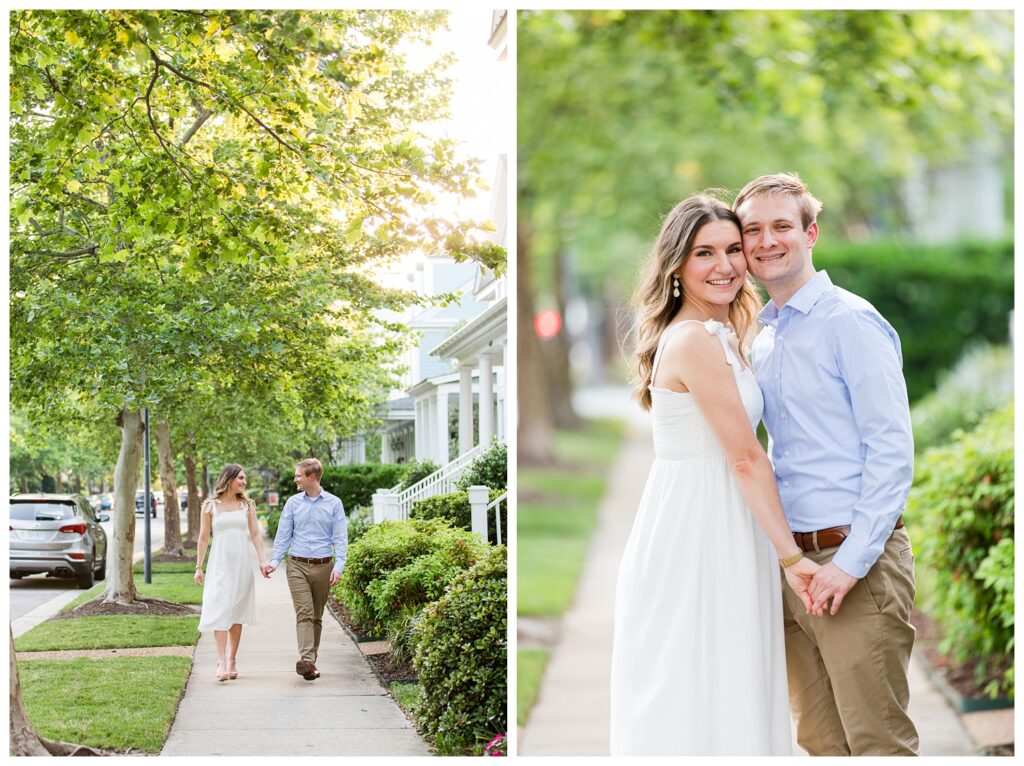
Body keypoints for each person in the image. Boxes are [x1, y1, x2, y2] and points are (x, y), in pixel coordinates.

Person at [610, 193, 819, 755]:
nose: (725, 265)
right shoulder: (695, 340)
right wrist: (793, 559)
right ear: (677, 265)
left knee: (728, 678)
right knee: (701, 683)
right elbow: (745, 458)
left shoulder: (722, 333)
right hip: (701, 529)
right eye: (705, 253)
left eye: (733, 249)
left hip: (722, 517)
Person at [734, 172, 918, 755]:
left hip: (852, 563)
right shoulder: (764, 339)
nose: (767, 241)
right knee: (819, 742)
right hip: (796, 569)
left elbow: (890, 451)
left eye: (782, 226)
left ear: (810, 233)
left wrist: (852, 563)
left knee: (877, 741)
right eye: (753, 230)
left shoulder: (850, 322)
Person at [264, 458, 347, 681]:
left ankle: (311, 663)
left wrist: (339, 567)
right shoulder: (292, 503)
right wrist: (274, 561)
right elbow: (283, 535)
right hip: (297, 566)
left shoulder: (334, 503)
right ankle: (306, 660)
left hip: (323, 567)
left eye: (299, 475)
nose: (295, 479)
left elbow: (340, 538)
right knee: (305, 614)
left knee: (317, 617)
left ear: (312, 477)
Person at [194, 464, 268, 682]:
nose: (244, 482)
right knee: (220, 607)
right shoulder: (210, 506)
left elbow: (255, 533)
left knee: (236, 611)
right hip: (220, 563)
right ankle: (221, 661)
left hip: (242, 563)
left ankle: (232, 659)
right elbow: (203, 538)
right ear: (229, 479)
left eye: (244, 479)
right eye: (241, 478)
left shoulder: (247, 504)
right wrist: (199, 567)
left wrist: (262, 560)